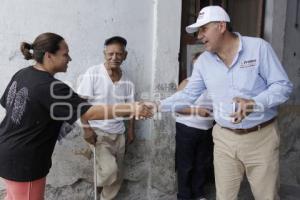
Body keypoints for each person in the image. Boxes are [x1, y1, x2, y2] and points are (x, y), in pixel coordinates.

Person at [159, 6, 293, 200]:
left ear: (221, 26)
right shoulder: (204, 61)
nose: (199, 36)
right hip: (223, 139)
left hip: (260, 138)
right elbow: (187, 95)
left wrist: (254, 103)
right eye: (198, 31)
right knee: (224, 196)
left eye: (203, 29)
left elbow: (283, 86)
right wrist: (157, 105)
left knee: (267, 196)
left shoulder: (258, 48)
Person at [0, 32, 152, 200]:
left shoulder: (23, 73)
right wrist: (132, 108)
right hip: (25, 161)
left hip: (8, 150)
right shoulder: (52, 88)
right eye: (65, 54)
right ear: (49, 56)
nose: (69, 59)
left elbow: (8, 104)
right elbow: (90, 112)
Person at [77, 36, 135, 200]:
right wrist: (87, 129)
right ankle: (93, 169)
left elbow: (131, 109)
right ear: (104, 53)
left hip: (119, 133)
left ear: (125, 55)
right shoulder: (93, 73)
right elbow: (81, 103)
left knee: (118, 177)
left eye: (118, 54)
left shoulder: (128, 80)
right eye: (110, 54)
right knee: (110, 171)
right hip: (99, 132)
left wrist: (131, 131)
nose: (114, 58)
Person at [175, 53, 214, 200]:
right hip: (187, 129)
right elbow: (176, 107)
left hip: (207, 129)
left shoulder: (213, 85)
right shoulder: (187, 83)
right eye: (196, 65)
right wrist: (197, 111)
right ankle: (184, 196)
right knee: (186, 165)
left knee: (202, 164)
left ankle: (198, 194)